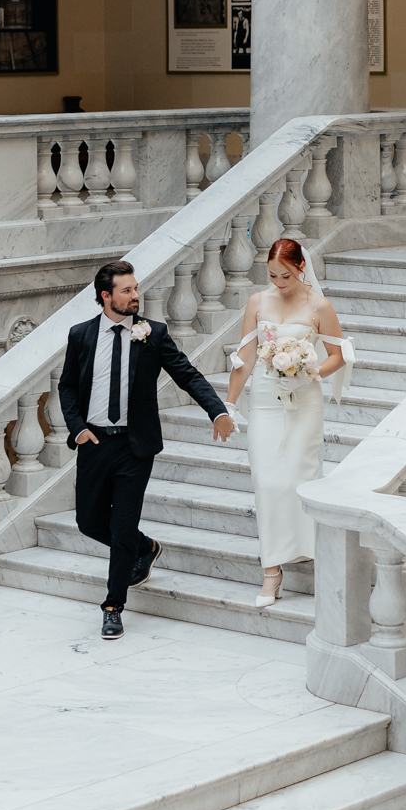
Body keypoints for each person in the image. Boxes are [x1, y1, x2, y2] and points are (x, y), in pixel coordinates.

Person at [58, 258, 233, 638]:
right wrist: (78, 430)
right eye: (127, 290)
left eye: (136, 288)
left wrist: (216, 410)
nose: (136, 295)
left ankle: (112, 606)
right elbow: (67, 387)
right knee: (88, 522)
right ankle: (146, 547)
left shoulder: (153, 333)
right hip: (95, 443)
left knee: (121, 527)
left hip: (135, 447)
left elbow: (187, 374)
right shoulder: (81, 335)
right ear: (106, 296)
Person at [224, 236, 353, 607]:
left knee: (302, 477)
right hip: (264, 401)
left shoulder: (318, 305)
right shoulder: (257, 302)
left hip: (304, 402)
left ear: (300, 268)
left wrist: (310, 371)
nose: (278, 283)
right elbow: (245, 357)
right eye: (272, 275)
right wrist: (229, 406)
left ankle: (314, 555)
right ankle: (272, 571)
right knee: (267, 481)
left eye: (284, 276)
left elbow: (339, 354)